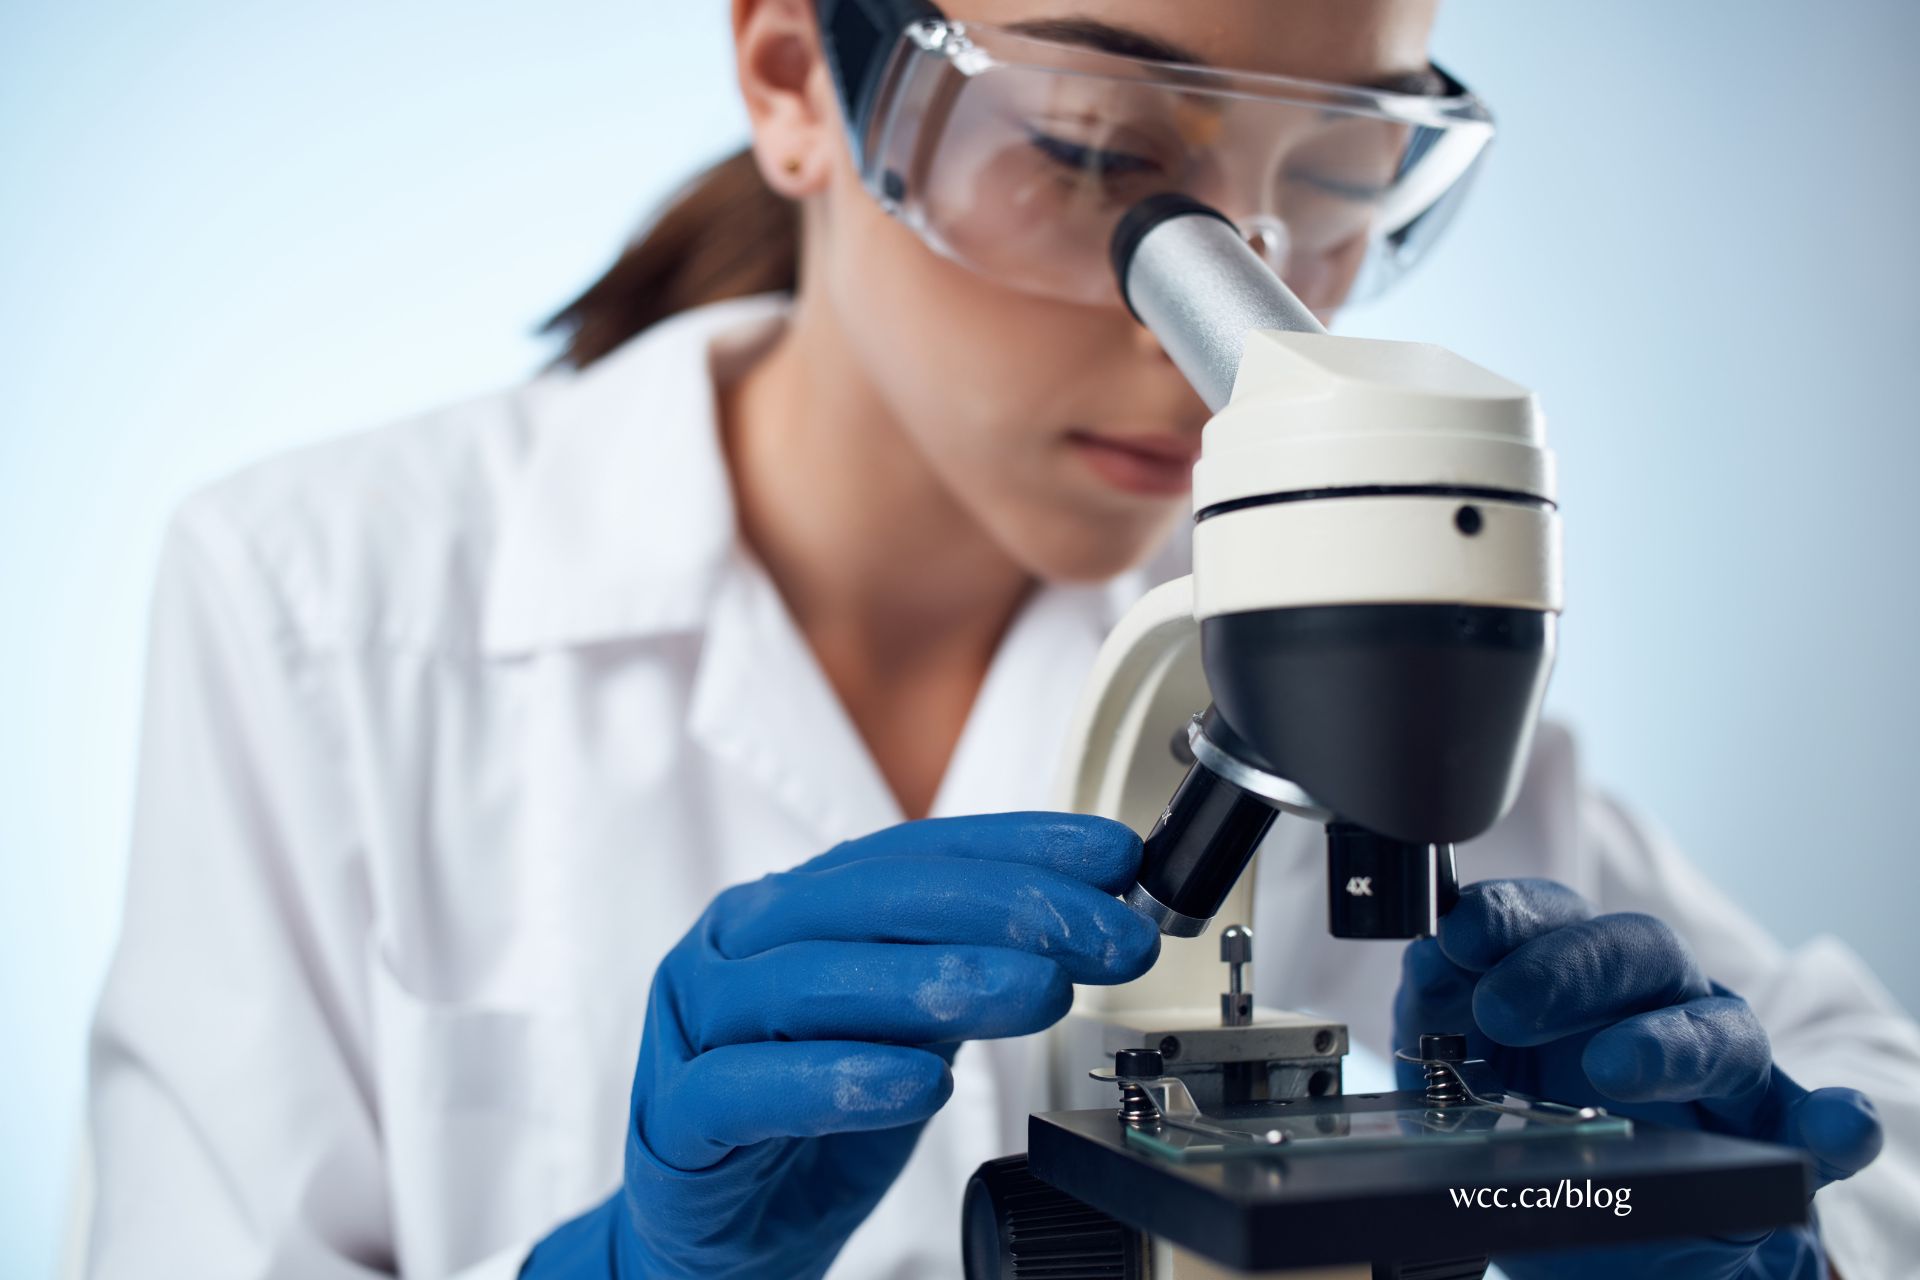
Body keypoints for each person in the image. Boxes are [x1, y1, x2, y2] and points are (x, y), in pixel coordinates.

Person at [84, 1, 1919, 1277]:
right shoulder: (324, 602)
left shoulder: (1326, 612)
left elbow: (1871, 1113)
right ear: (802, 77)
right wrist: (621, 1274)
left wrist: (1779, 1233)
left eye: (1347, 183)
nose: (1243, 318)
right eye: (1100, 153)